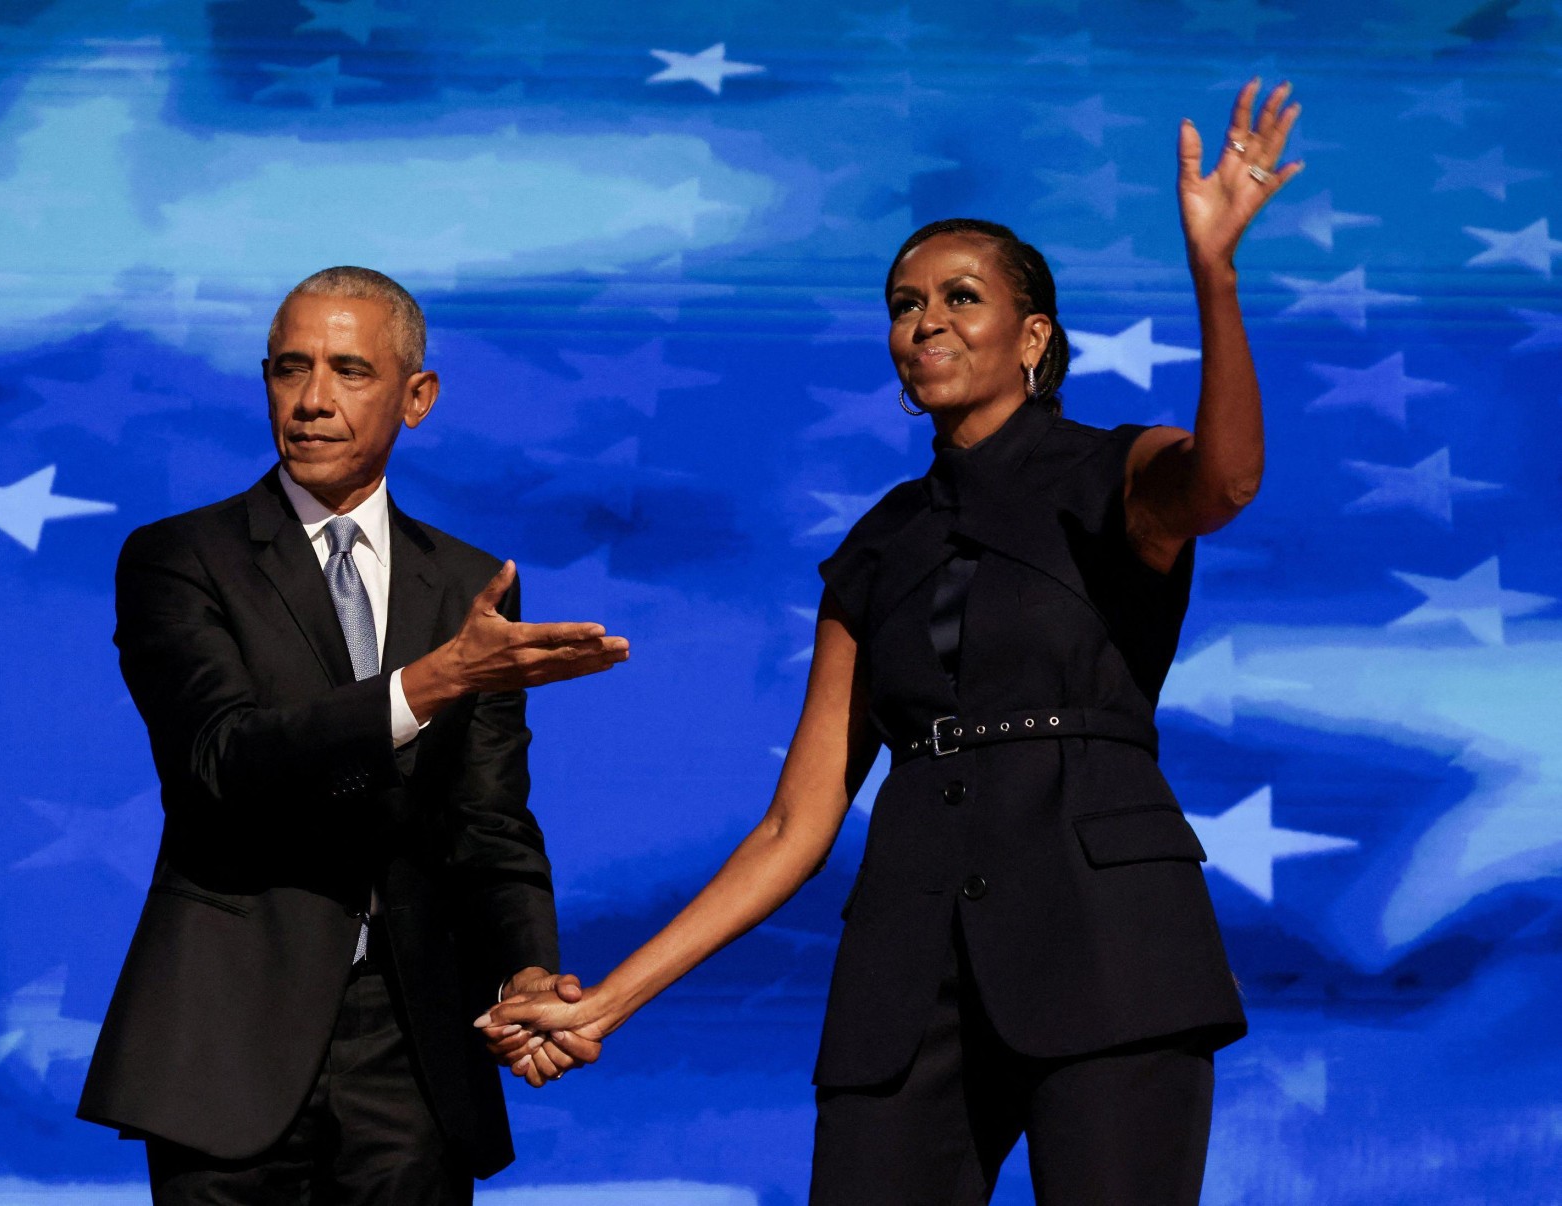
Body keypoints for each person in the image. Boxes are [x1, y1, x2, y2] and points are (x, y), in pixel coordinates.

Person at [484, 80, 1304, 1203]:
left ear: (1034, 338)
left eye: (961, 297)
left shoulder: (1113, 468)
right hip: (907, 972)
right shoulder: (876, 546)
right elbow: (794, 825)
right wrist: (608, 1002)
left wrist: (1216, 274)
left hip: (1111, 947)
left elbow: (1230, 479)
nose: (926, 321)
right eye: (904, 303)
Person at [77, 265, 629, 1205]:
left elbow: (489, 820)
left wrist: (527, 971)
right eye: (291, 370)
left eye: (349, 371)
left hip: (411, 1043)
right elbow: (222, 759)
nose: (313, 401)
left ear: (417, 398)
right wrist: (437, 679)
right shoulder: (179, 557)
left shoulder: (467, 585)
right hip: (228, 1040)